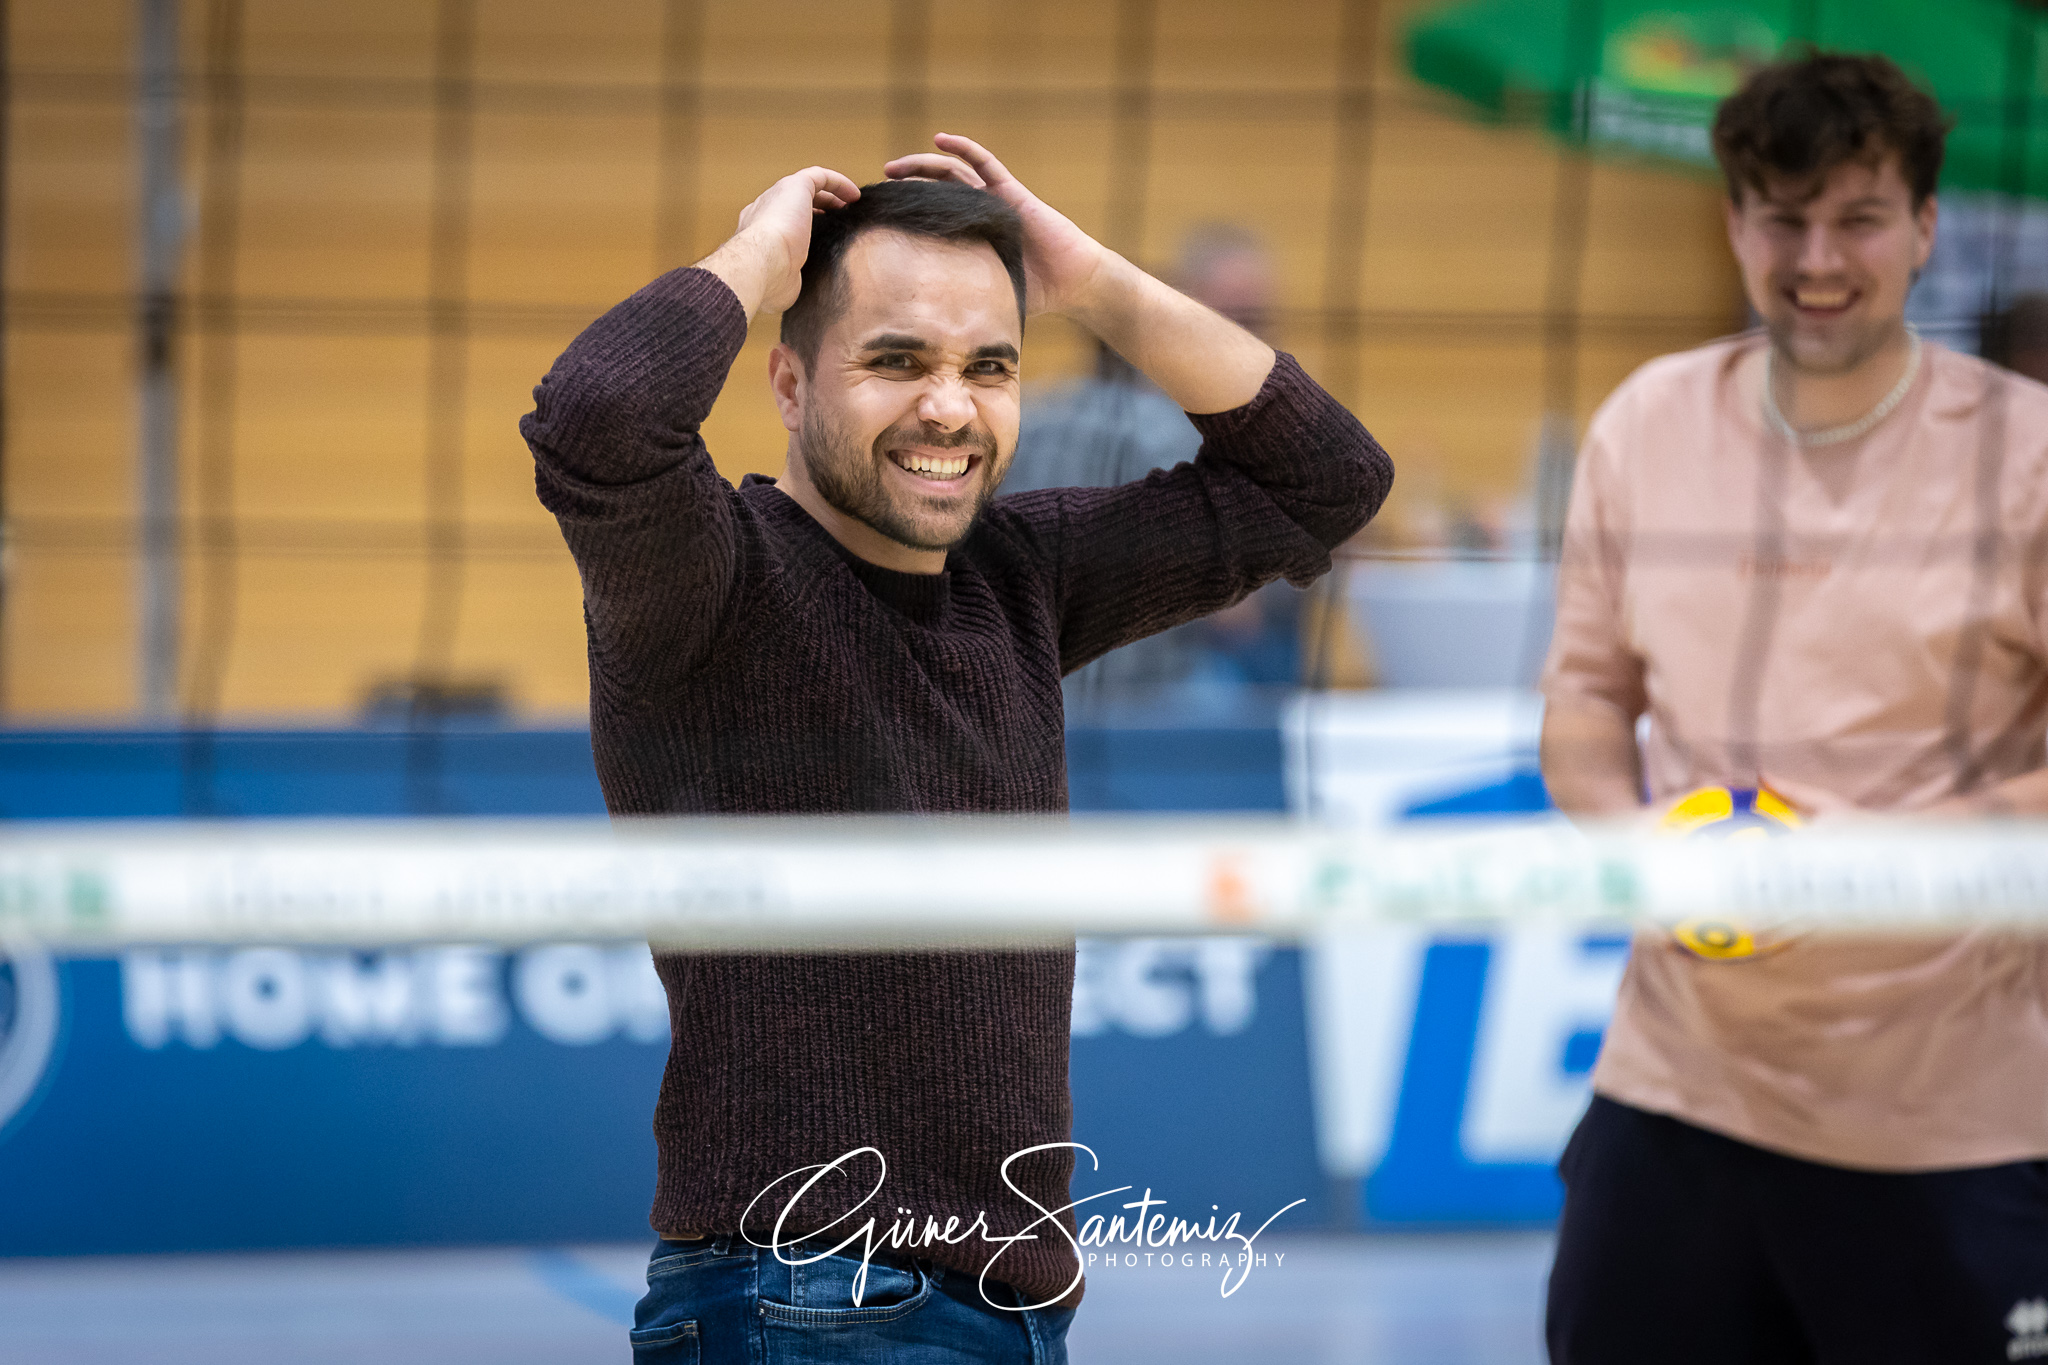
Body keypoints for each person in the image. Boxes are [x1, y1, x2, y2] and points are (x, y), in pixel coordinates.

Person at [520, 134, 1391, 1363]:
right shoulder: (706, 583)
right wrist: (766, 249)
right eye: (895, 360)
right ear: (786, 383)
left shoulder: (1017, 575)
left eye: (990, 366)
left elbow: (1326, 482)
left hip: (1010, 1311)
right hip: (803, 1300)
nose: (949, 406)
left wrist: (1085, 277)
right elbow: (600, 416)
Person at [1539, 52, 2048, 1364]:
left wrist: (1862, 867)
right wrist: (1641, 847)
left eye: (1859, 217)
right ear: (1735, 224)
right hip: (1675, 1091)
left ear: (1928, 228)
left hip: (1951, 1119)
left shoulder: (2027, 456)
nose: (1817, 256)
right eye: (1782, 215)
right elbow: (1588, 700)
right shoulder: (1648, 422)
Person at [1006, 224, 1306, 714]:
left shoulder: (1026, 422)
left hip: (1030, 692)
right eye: (1234, 317)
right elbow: (1237, 620)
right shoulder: (1178, 439)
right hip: (1152, 701)